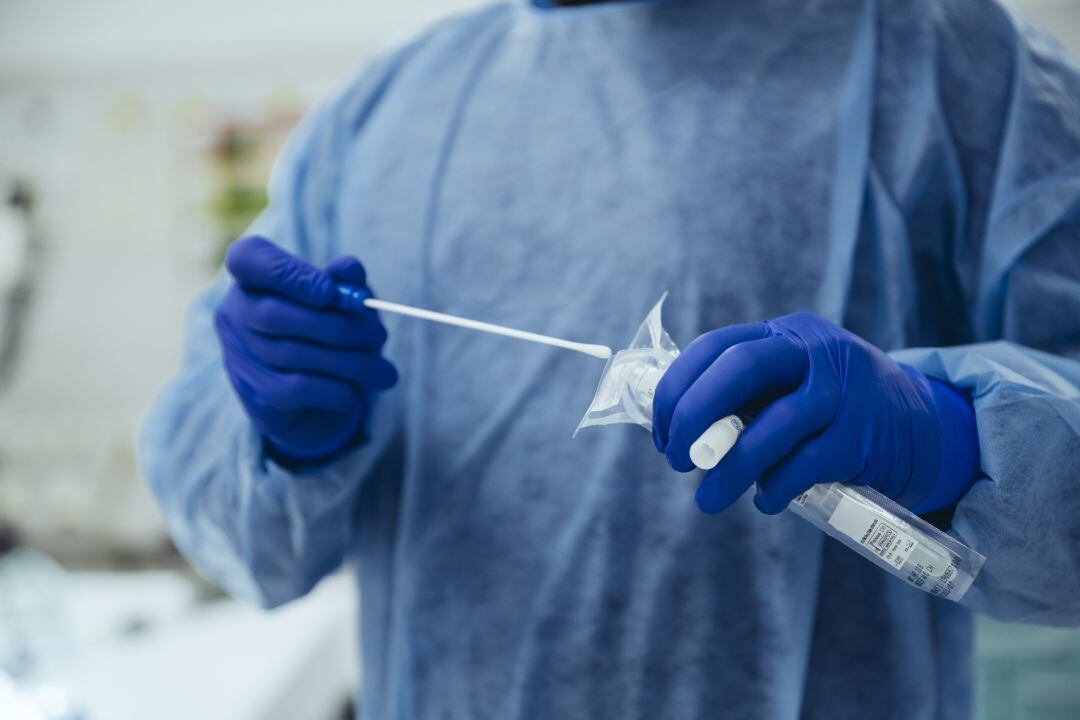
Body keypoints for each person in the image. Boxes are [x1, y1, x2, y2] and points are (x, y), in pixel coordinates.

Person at [140, 0, 1080, 717]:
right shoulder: (376, 120)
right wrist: (286, 441)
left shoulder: (951, 62)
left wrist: (954, 439)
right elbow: (237, 534)